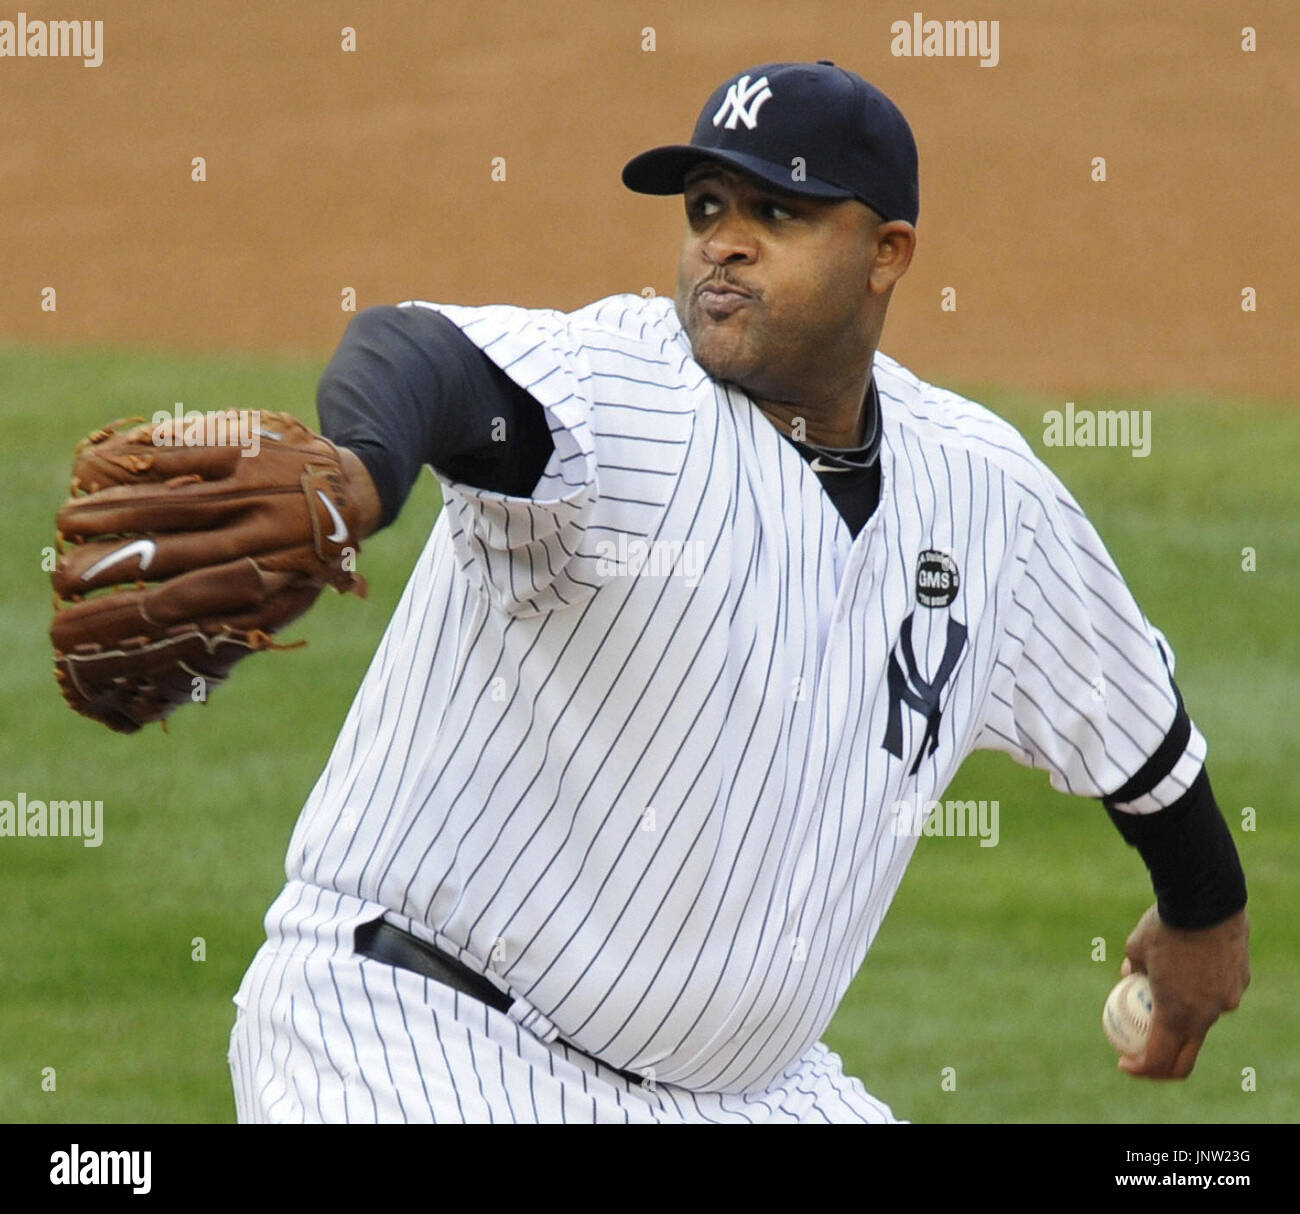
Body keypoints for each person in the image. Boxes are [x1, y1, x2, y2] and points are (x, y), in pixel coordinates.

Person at [227, 60, 1248, 1124]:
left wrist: (1204, 915)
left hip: (744, 1094)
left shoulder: (984, 493)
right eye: (706, 207)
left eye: (778, 210)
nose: (724, 240)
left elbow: (1138, 730)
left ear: (886, 253)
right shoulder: (623, 393)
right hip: (415, 1035)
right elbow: (416, 353)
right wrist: (357, 471)